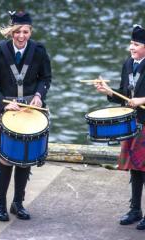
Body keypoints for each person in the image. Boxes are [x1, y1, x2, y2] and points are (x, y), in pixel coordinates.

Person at [0, 11, 51, 221]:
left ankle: (18, 203)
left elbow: (46, 77)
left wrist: (40, 95)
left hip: (31, 111)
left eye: (25, 32)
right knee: (6, 159)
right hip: (7, 110)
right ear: (11, 32)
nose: (21, 36)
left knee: (25, 160)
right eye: (17, 32)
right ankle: (1, 204)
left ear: (30, 31)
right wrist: (3, 105)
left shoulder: (38, 50)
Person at [95, 25, 145, 230]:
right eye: (131, 43)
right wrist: (108, 91)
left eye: (136, 44)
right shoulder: (128, 64)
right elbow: (125, 94)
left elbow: (137, 98)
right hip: (132, 123)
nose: (130, 48)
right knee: (135, 169)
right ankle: (135, 210)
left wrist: (142, 99)